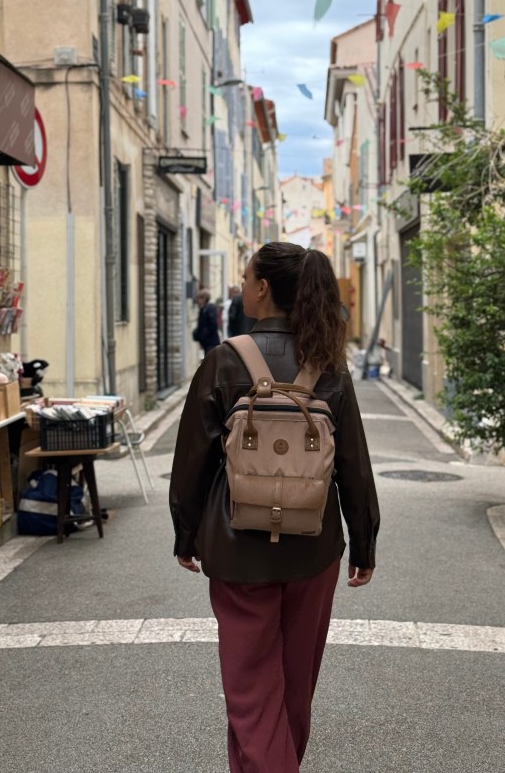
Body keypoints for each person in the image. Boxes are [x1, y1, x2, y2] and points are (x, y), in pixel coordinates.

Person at [170, 243, 380, 773]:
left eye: (245, 278)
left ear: (263, 288)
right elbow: (352, 464)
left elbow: (192, 459)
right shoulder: (329, 367)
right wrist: (364, 542)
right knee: (293, 692)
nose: (241, 286)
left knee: (250, 693)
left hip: (237, 546)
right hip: (314, 549)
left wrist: (186, 533)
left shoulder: (223, 361)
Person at [192, 289, 220, 354]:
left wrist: (203, 335)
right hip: (206, 343)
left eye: (199, 298)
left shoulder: (210, 308)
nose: (197, 301)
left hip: (211, 343)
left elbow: (213, 325)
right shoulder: (203, 309)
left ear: (204, 298)